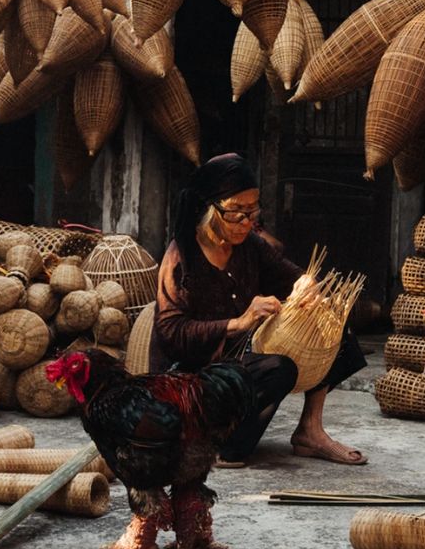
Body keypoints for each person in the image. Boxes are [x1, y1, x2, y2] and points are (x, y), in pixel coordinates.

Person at [152, 152, 368, 467]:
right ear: (209, 209)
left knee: (337, 331)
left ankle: (310, 430)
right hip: (196, 377)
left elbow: (294, 276)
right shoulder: (182, 258)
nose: (247, 221)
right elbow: (171, 333)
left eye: (252, 210)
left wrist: (309, 289)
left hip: (241, 358)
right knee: (278, 369)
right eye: (237, 212)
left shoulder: (251, 246)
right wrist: (238, 322)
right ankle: (220, 444)